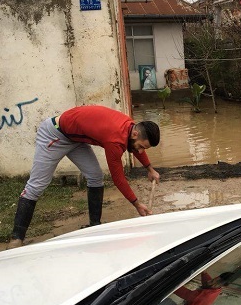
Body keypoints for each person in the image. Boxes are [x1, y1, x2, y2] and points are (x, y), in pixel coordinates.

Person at [9, 104, 160, 248]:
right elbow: (118, 179)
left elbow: (134, 147)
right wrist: (137, 204)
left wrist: (150, 169)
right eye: (141, 146)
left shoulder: (129, 126)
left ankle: (95, 226)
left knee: (95, 176)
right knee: (37, 185)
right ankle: (17, 238)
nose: (140, 151)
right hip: (54, 134)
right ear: (135, 133)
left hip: (75, 139)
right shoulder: (115, 139)